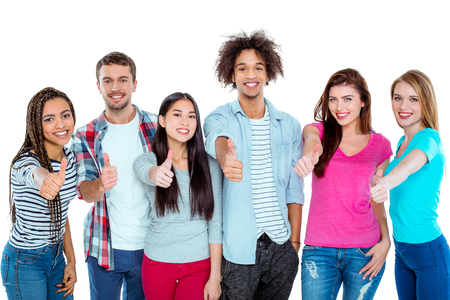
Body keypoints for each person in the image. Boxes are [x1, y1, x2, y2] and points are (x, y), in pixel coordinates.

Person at [203, 30, 303, 299]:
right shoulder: (218, 116)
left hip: (282, 246)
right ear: (232, 75)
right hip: (238, 250)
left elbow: (295, 189)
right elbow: (216, 138)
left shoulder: (290, 125)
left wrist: (294, 244)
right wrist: (226, 158)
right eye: (242, 68)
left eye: (258, 68)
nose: (251, 75)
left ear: (268, 74)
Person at [295, 69, 391, 300]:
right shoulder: (317, 131)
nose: (339, 107)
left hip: (365, 251)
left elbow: (376, 201)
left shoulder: (380, 145)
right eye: (333, 99)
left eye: (348, 99)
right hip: (319, 252)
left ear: (363, 102)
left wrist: (386, 241)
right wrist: (310, 156)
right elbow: (311, 141)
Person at [71, 52, 157, 299]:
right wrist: (101, 183)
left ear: (135, 84)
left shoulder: (157, 126)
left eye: (123, 79)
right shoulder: (85, 135)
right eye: (107, 80)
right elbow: (86, 192)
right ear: (98, 86)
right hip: (105, 246)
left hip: (150, 245)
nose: (115, 87)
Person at [133, 92, 222, 300]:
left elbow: (215, 223)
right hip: (157, 263)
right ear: (162, 120)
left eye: (191, 116)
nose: (185, 122)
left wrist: (215, 276)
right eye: (177, 115)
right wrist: (156, 174)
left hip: (199, 265)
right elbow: (142, 169)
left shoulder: (210, 166)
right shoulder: (149, 159)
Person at [370, 70, 450, 299]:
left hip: (429, 252)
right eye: (398, 98)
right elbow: (398, 166)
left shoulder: (429, 139)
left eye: (413, 99)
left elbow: (408, 168)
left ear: (425, 102)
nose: (404, 106)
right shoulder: (401, 143)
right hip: (403, 251)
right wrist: (379, 174)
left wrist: (384, 183)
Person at [1, 87, 77, 299]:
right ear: (36, 124)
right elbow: (35, 174)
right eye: (49, 119)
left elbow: (62, 214)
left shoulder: (69, 159)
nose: (61, 124)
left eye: (65, 115)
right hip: (24, 261)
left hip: (56, 257)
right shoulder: (24, 163)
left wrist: (71, 260)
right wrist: (45, 180)